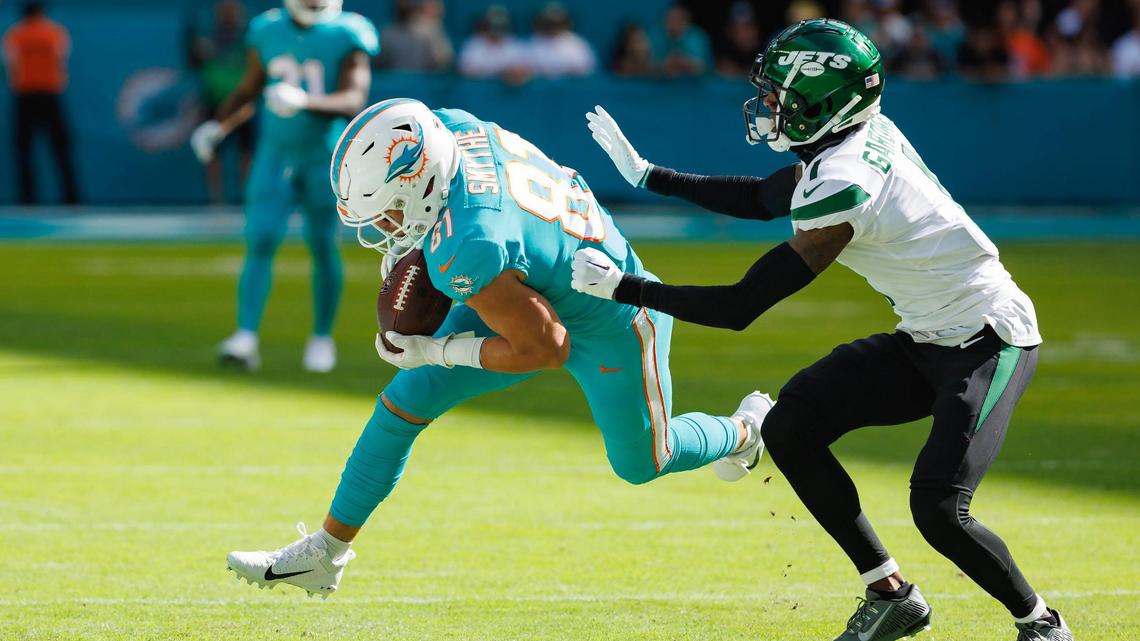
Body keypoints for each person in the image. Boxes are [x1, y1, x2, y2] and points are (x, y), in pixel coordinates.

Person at [572, 19, 1074, 641]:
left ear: (826, 104)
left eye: (784, 95)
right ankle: (889, 593)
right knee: (791, 426)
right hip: (925, 336)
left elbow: (740, 306)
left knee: (939, 508)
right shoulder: (854, 140)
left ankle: (1043, 625)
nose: (771, 106)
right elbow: (761, 197)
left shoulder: (846, 183)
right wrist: (651, 176)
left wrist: (626, 289)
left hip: (988, 338)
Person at [224, 98, 772, 598]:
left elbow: (546, 347)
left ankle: (746, 431)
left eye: (391, 212)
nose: (388, 228)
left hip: (612, 315)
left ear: (421, 182)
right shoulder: (453, 130)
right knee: (403, 403)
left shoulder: (468, 244)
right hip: (531, 278)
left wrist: (436, 351)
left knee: (644, 462)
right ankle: (327, 552)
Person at [189, 0, 379, 373]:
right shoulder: (267, 29)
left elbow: (354, 99)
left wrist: (305, 100)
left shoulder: (349, 32)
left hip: (324, 155)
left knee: (323, 244)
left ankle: (322, 336)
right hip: (274, 153)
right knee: (260, 238)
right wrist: (219, 126)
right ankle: (245, 337)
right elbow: (250, 88)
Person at [2, 1, 79, 205]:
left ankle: (28, 199)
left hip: (25, 95)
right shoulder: (54, 32)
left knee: (24, 151)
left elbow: (10, 64)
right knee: (60, 149)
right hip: (50, 93)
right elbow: (61, 58)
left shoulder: (15, 35)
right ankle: (71, 198)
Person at [525, 2, 596, 78]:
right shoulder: (530, 42)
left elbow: (587, 68)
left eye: (555, 24)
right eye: (548, 24)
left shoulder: (577, 43)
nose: (552, 28)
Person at [457, 5, 528, 80]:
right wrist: (501, 72)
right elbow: (464, 69)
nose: (497, 27)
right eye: (494, 23)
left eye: (500, 23)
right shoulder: (474, 43)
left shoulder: (513, 43)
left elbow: (525, 68)